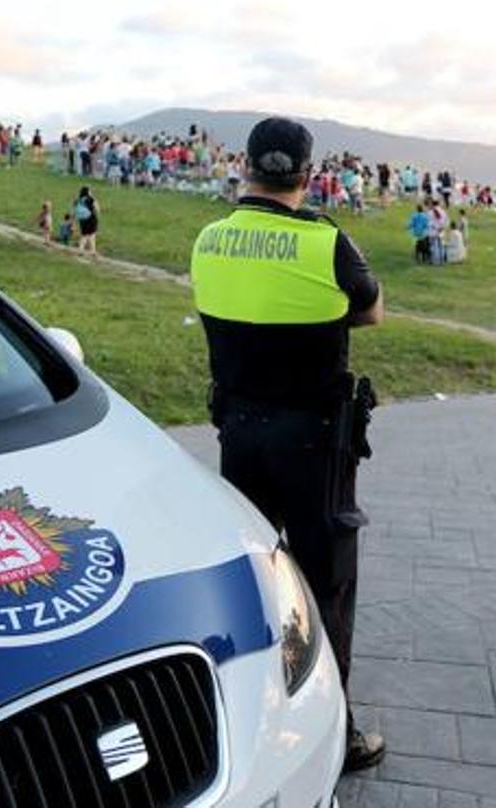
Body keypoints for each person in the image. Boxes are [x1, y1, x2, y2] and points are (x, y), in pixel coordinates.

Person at [189, 117, 386, 774]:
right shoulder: (325, 242)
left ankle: (243, 725)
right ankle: (338, 730)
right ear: (308, 174)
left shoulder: (211, 238)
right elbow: (372, 309)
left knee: (252, 572)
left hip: (238, 429)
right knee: (325, 581)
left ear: (246, 167)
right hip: (313, 439)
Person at [74, 186, 100, 256]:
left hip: (82, 219)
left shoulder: (79, 199)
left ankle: (80, 250)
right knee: (92, 235)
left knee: (84, 235)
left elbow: (75, 208)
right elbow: (97, 209)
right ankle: (93, 251)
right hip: (91, 218)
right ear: (88, 192)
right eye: (90, 191)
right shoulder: (91, 199)